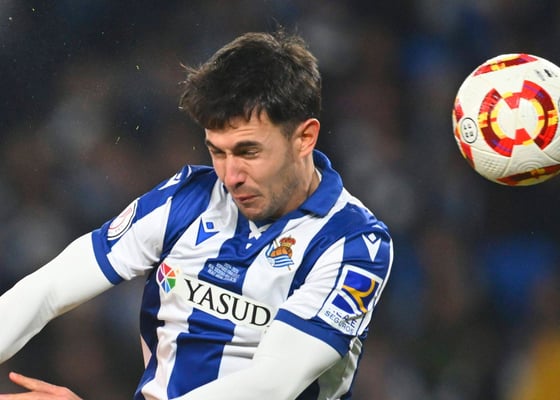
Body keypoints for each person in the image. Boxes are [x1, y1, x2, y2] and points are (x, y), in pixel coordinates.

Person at [0, 30, 393, 400]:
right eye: (217, 151)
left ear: (304, 137)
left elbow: (270, 386)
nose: (231, 175)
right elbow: (47, 289)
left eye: (248, 152)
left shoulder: (355, 243)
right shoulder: (185, 199)